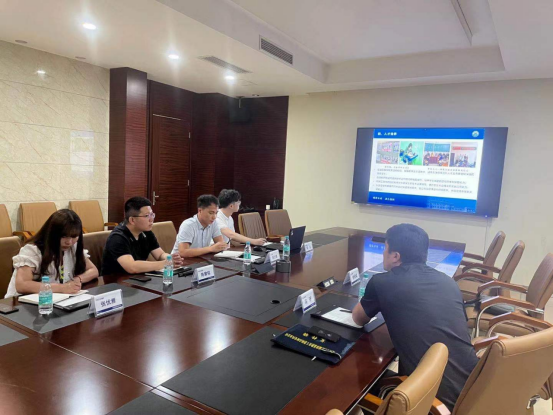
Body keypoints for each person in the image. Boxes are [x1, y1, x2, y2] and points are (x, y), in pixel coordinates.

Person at [352, 224, 478, 411]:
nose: (383, 254)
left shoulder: (382, 282)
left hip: (431, 405)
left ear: (395, 256)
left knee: (361, 376)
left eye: (385, 249)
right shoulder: (448, 282)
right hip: (471, 393)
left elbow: (358, 318)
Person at [5, 209, 98, 298]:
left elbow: (93, 270)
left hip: (55, 299)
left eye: (74, 236)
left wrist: (77, 279)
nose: (69, 242)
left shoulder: (74, 247)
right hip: (21, 303)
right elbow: (22, 285)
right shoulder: (33, 250)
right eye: (64, 236)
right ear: (52, 233)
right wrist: (62, 288)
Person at [102, 197, 183, 275]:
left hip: (138, 278)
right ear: (132, 220)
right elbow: (132, 267)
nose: (151, 219)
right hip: (115, 281)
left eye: (152, 214)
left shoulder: (146, 232)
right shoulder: (117, 237)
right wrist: (165, 263)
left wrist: (170, 258)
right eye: (147, 216)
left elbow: (160, 255)